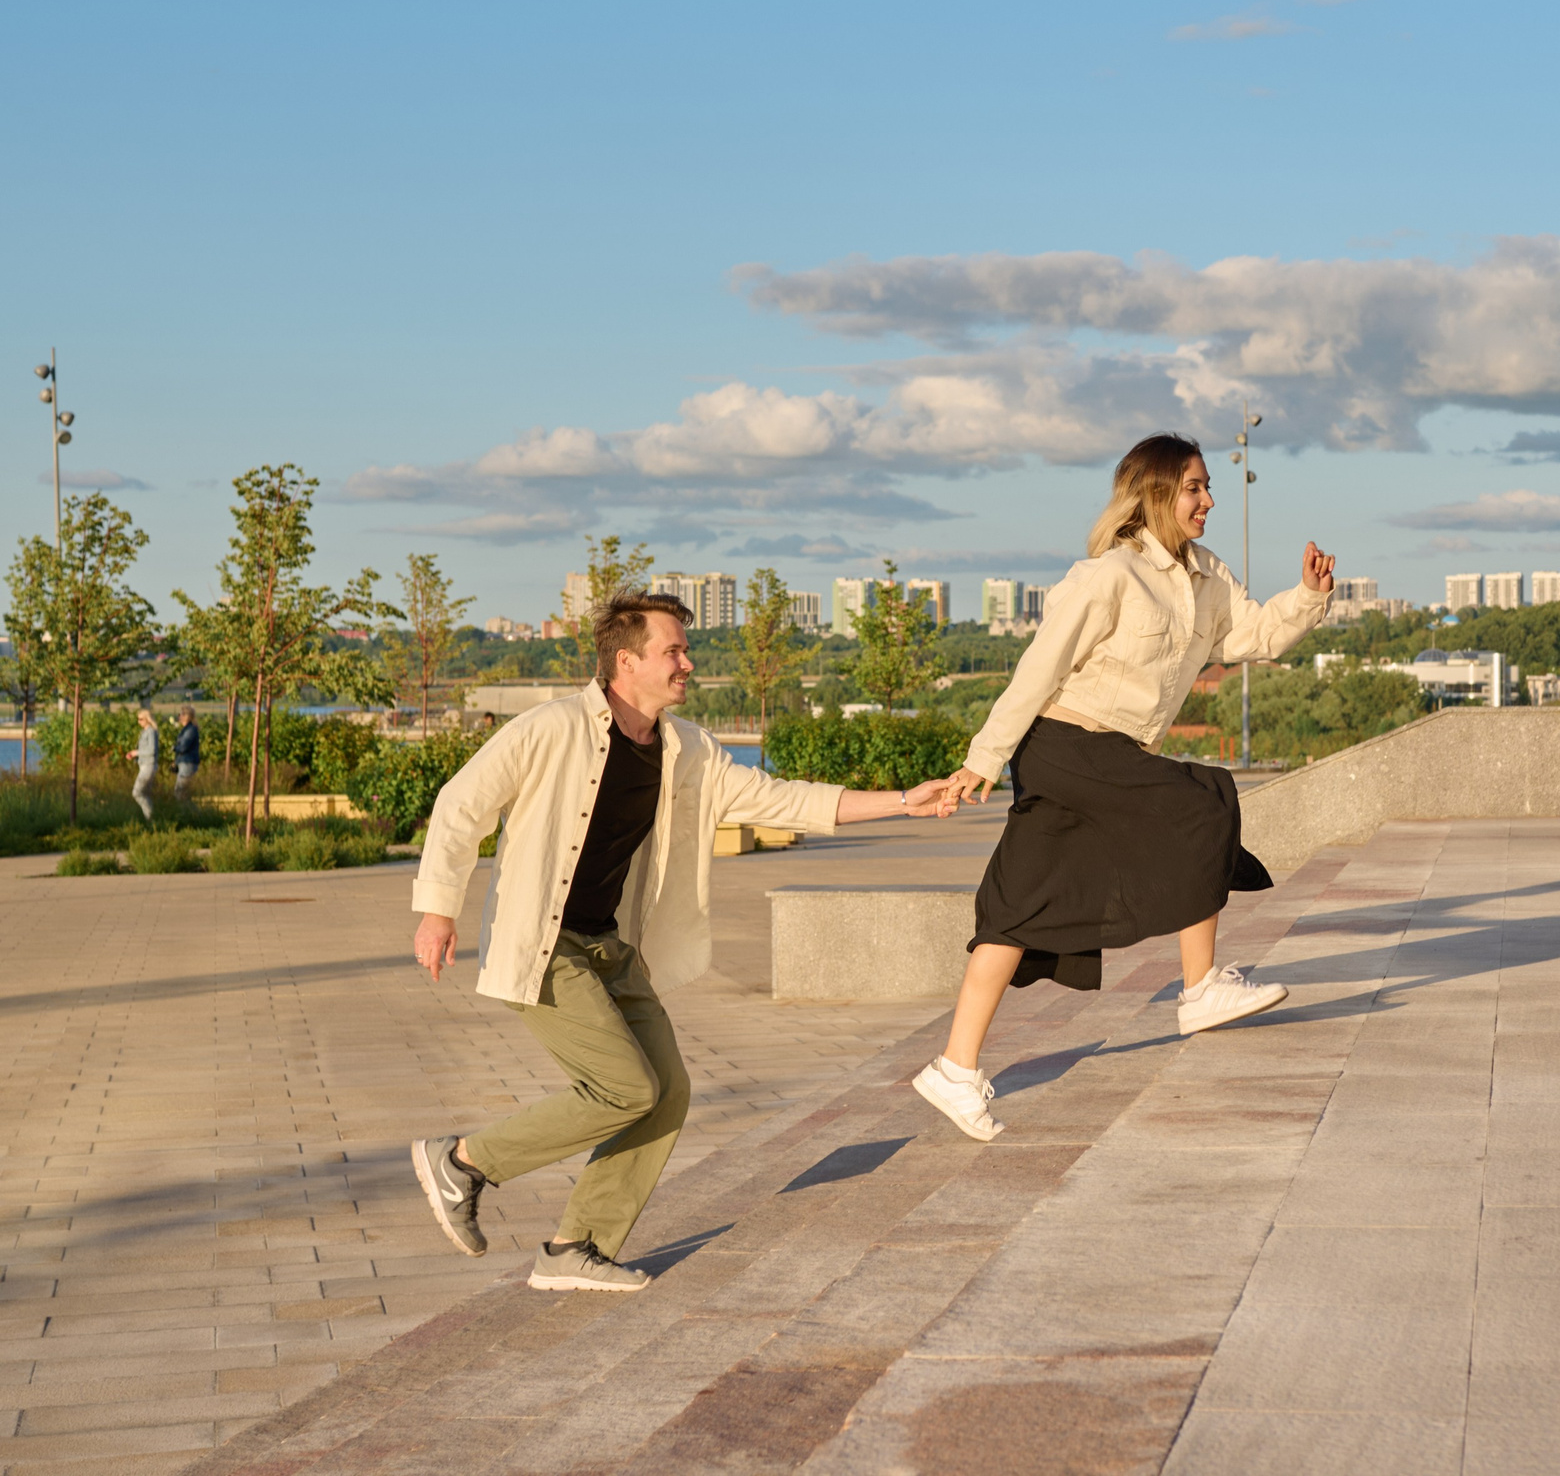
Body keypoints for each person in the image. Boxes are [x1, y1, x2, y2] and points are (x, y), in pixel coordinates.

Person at [407, 591, 952, 1290]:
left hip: (609, 944)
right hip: (543, 945)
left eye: (685, 650)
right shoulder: (552, 728)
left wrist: (906, 799)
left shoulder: (686, 748)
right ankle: (462, 1162)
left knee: (666, 1091)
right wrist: (437, 910)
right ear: (626, 661)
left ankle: (575, 1247)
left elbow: (781, 799)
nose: (688, 663)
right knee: (623, 1086)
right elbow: (461, 804)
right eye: (674, 651)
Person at [915, 433, 1337, 1142]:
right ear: (1156, 493)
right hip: (1065, 744)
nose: (1208, 500)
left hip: (1108, 756)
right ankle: (1199, 989)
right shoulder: (1109, 574)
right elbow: (1037, 671)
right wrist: (981, 762)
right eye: (1195, 487)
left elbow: (1253, 636)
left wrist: (1307, 597)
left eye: (1209, 487)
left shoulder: (1206, 575)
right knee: (1204, 799)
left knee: (1019, 908)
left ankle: (953, 1069)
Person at [130, 708, 159, 823]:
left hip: (148, 765)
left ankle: (150, 817)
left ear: (147, 719)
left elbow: (152, 750)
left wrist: (136, 752)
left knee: (137, 792)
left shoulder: (151, 732)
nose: (139, 722)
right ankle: (151, 818)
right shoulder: (144, 732)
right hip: (143, 764)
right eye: (138, 719)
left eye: (141, 719)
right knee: (145, 793)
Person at [172, 706, 200, 799]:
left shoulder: (190, 730)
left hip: (188, 763)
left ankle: (190, 812)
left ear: (186, 716)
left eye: (180, 714)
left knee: (180, 792)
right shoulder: (186, 730)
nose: (179, 717)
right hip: (183, 762)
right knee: (182, 793)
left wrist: (175, 748)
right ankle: (187, 812)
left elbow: (184, 747)